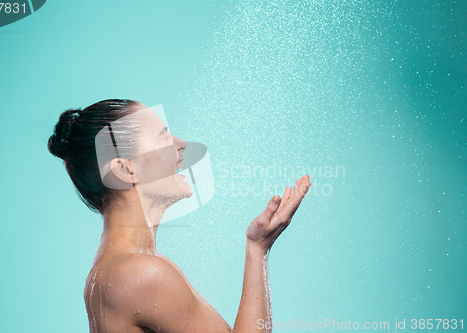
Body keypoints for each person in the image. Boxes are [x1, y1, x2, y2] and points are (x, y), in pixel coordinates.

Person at [48, 99, 311, 333]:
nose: (181, 145)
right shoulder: (142, 274)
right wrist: (258, 249)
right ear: (125, 170)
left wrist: (256, 245)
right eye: (165, 137)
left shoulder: (108, 273)